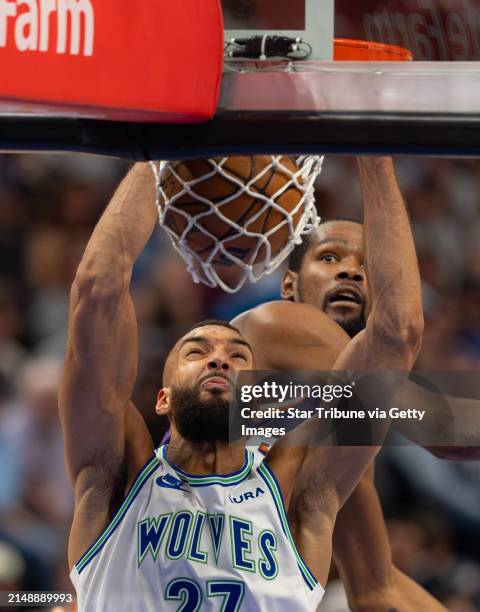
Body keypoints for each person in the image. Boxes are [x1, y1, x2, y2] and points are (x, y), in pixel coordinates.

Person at [60, 158, 422, 611]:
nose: (218, 357)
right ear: (162, 398)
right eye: (196, 352)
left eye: (237, 356)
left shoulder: (299, 499)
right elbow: (97, 287)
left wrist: (375, 156)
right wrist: (155, 157)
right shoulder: (114, 480)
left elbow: (397, 334)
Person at [232, 157, 451, 611]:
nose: (350, 271)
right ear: (289, 285)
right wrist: (375, 150)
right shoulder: (277, 323)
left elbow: (376, 588)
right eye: (329, 257)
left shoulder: (340, 418)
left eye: (367, 264)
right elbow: (449, 427)